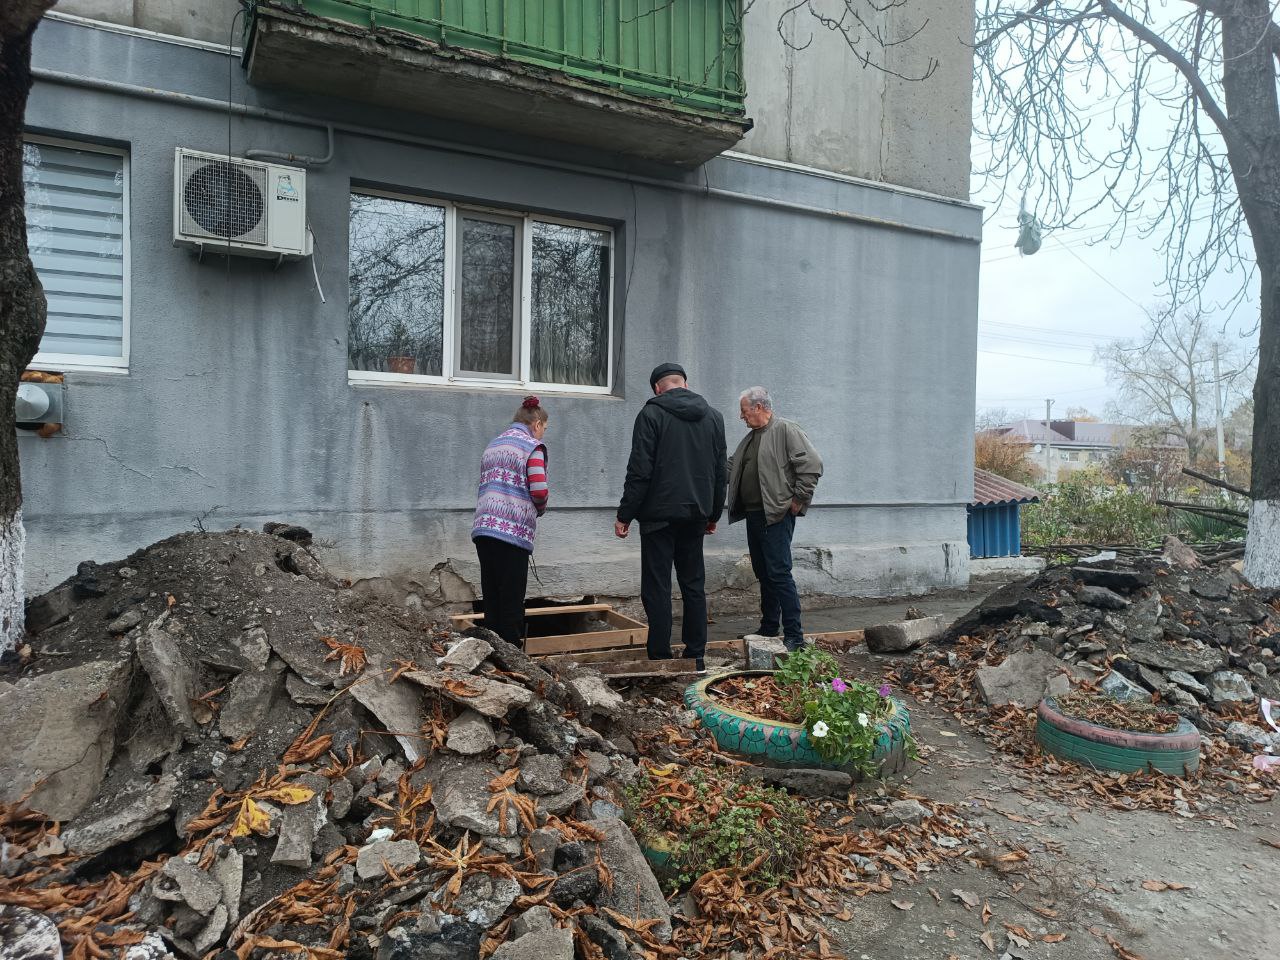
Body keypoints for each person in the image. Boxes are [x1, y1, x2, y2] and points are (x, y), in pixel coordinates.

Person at [615, 363, 727, 669]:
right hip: (696, 514)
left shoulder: (651, 414)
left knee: (657, 586)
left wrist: (625, 514)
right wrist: (714, 513)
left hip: (658, 517)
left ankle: (660, 656)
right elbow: (720, 472)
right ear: (685, 384)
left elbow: (640, 469)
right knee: (693, 585)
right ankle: (696, 654)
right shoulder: (713, 417)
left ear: (657, 388)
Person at [726, 386, 823, 652]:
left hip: (776, 514)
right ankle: (769, 627)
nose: (742, 416)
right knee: (764, 572)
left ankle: (794, 636)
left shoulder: (785, 430)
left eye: (744, 411)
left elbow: (812, 465)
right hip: (755, 514)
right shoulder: (750, 439)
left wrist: (798, 499)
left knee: (779, 573)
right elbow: (731, 467)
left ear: (758, 407)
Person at [472, 396, 549, 648]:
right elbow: (539, 490)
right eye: (544, 428)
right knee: (512, 599)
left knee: (492, 597)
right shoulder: (532, 447)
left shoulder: (493, 445)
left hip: (484, 529)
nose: (543, 434)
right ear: (536, 424)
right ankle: (513, 656)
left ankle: (491, 653)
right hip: (512, 532)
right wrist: (540, 509)